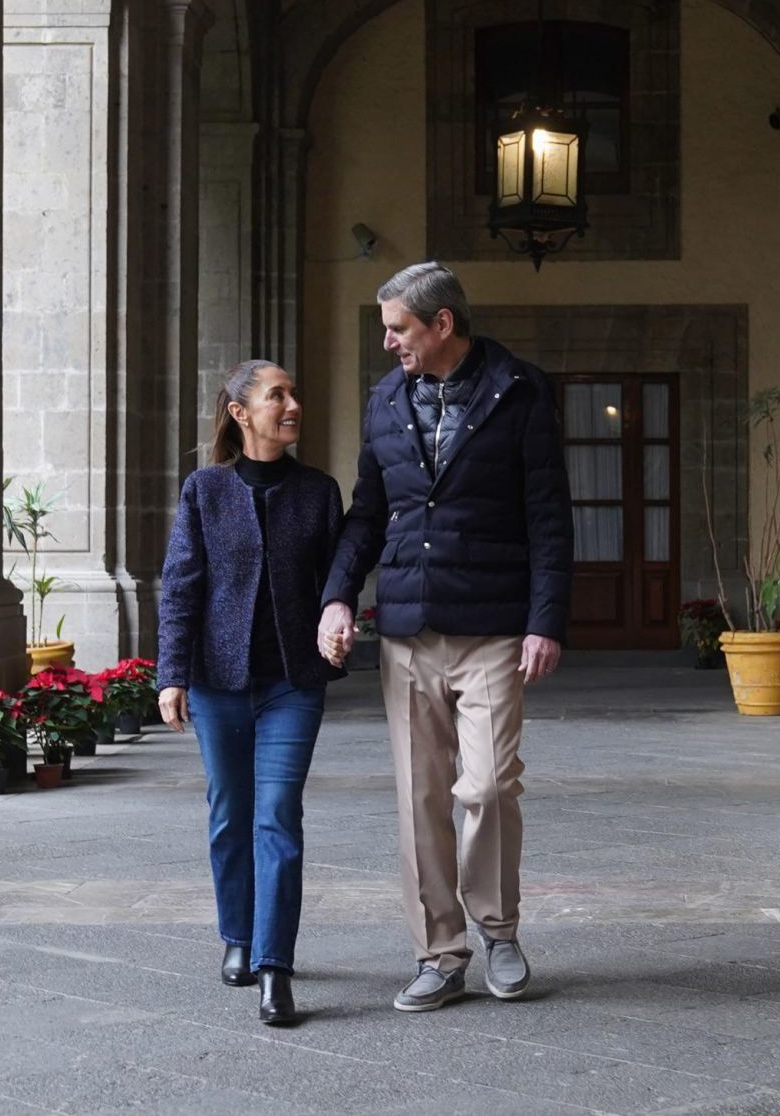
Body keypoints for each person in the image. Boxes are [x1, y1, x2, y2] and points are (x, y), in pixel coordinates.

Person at [315, 261, 571, 1013]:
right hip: (406, 627)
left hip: (492, 624)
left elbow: (548, 514)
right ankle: (439, 951)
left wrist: (544, 620)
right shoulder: (386, 399)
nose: (388, 340)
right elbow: (367, 512)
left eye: (398, 327)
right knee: (420, 796)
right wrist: (337, 598)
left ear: (442, 324)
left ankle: (498, 931)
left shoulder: (521, 390)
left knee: (489, 785)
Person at [156, 360, 346, 1027]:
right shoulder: (204, 490)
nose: (293, 404)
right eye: (278, 395)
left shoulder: (320, 493)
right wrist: (171, 674)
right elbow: (181, 585)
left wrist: (339, 618)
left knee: (278, 816)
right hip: (218, 683)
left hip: (293, 684)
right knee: (230, 815)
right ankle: (236, 935)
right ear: (241, 413)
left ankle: (274, 967)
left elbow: (335, 581)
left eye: (294, 392)